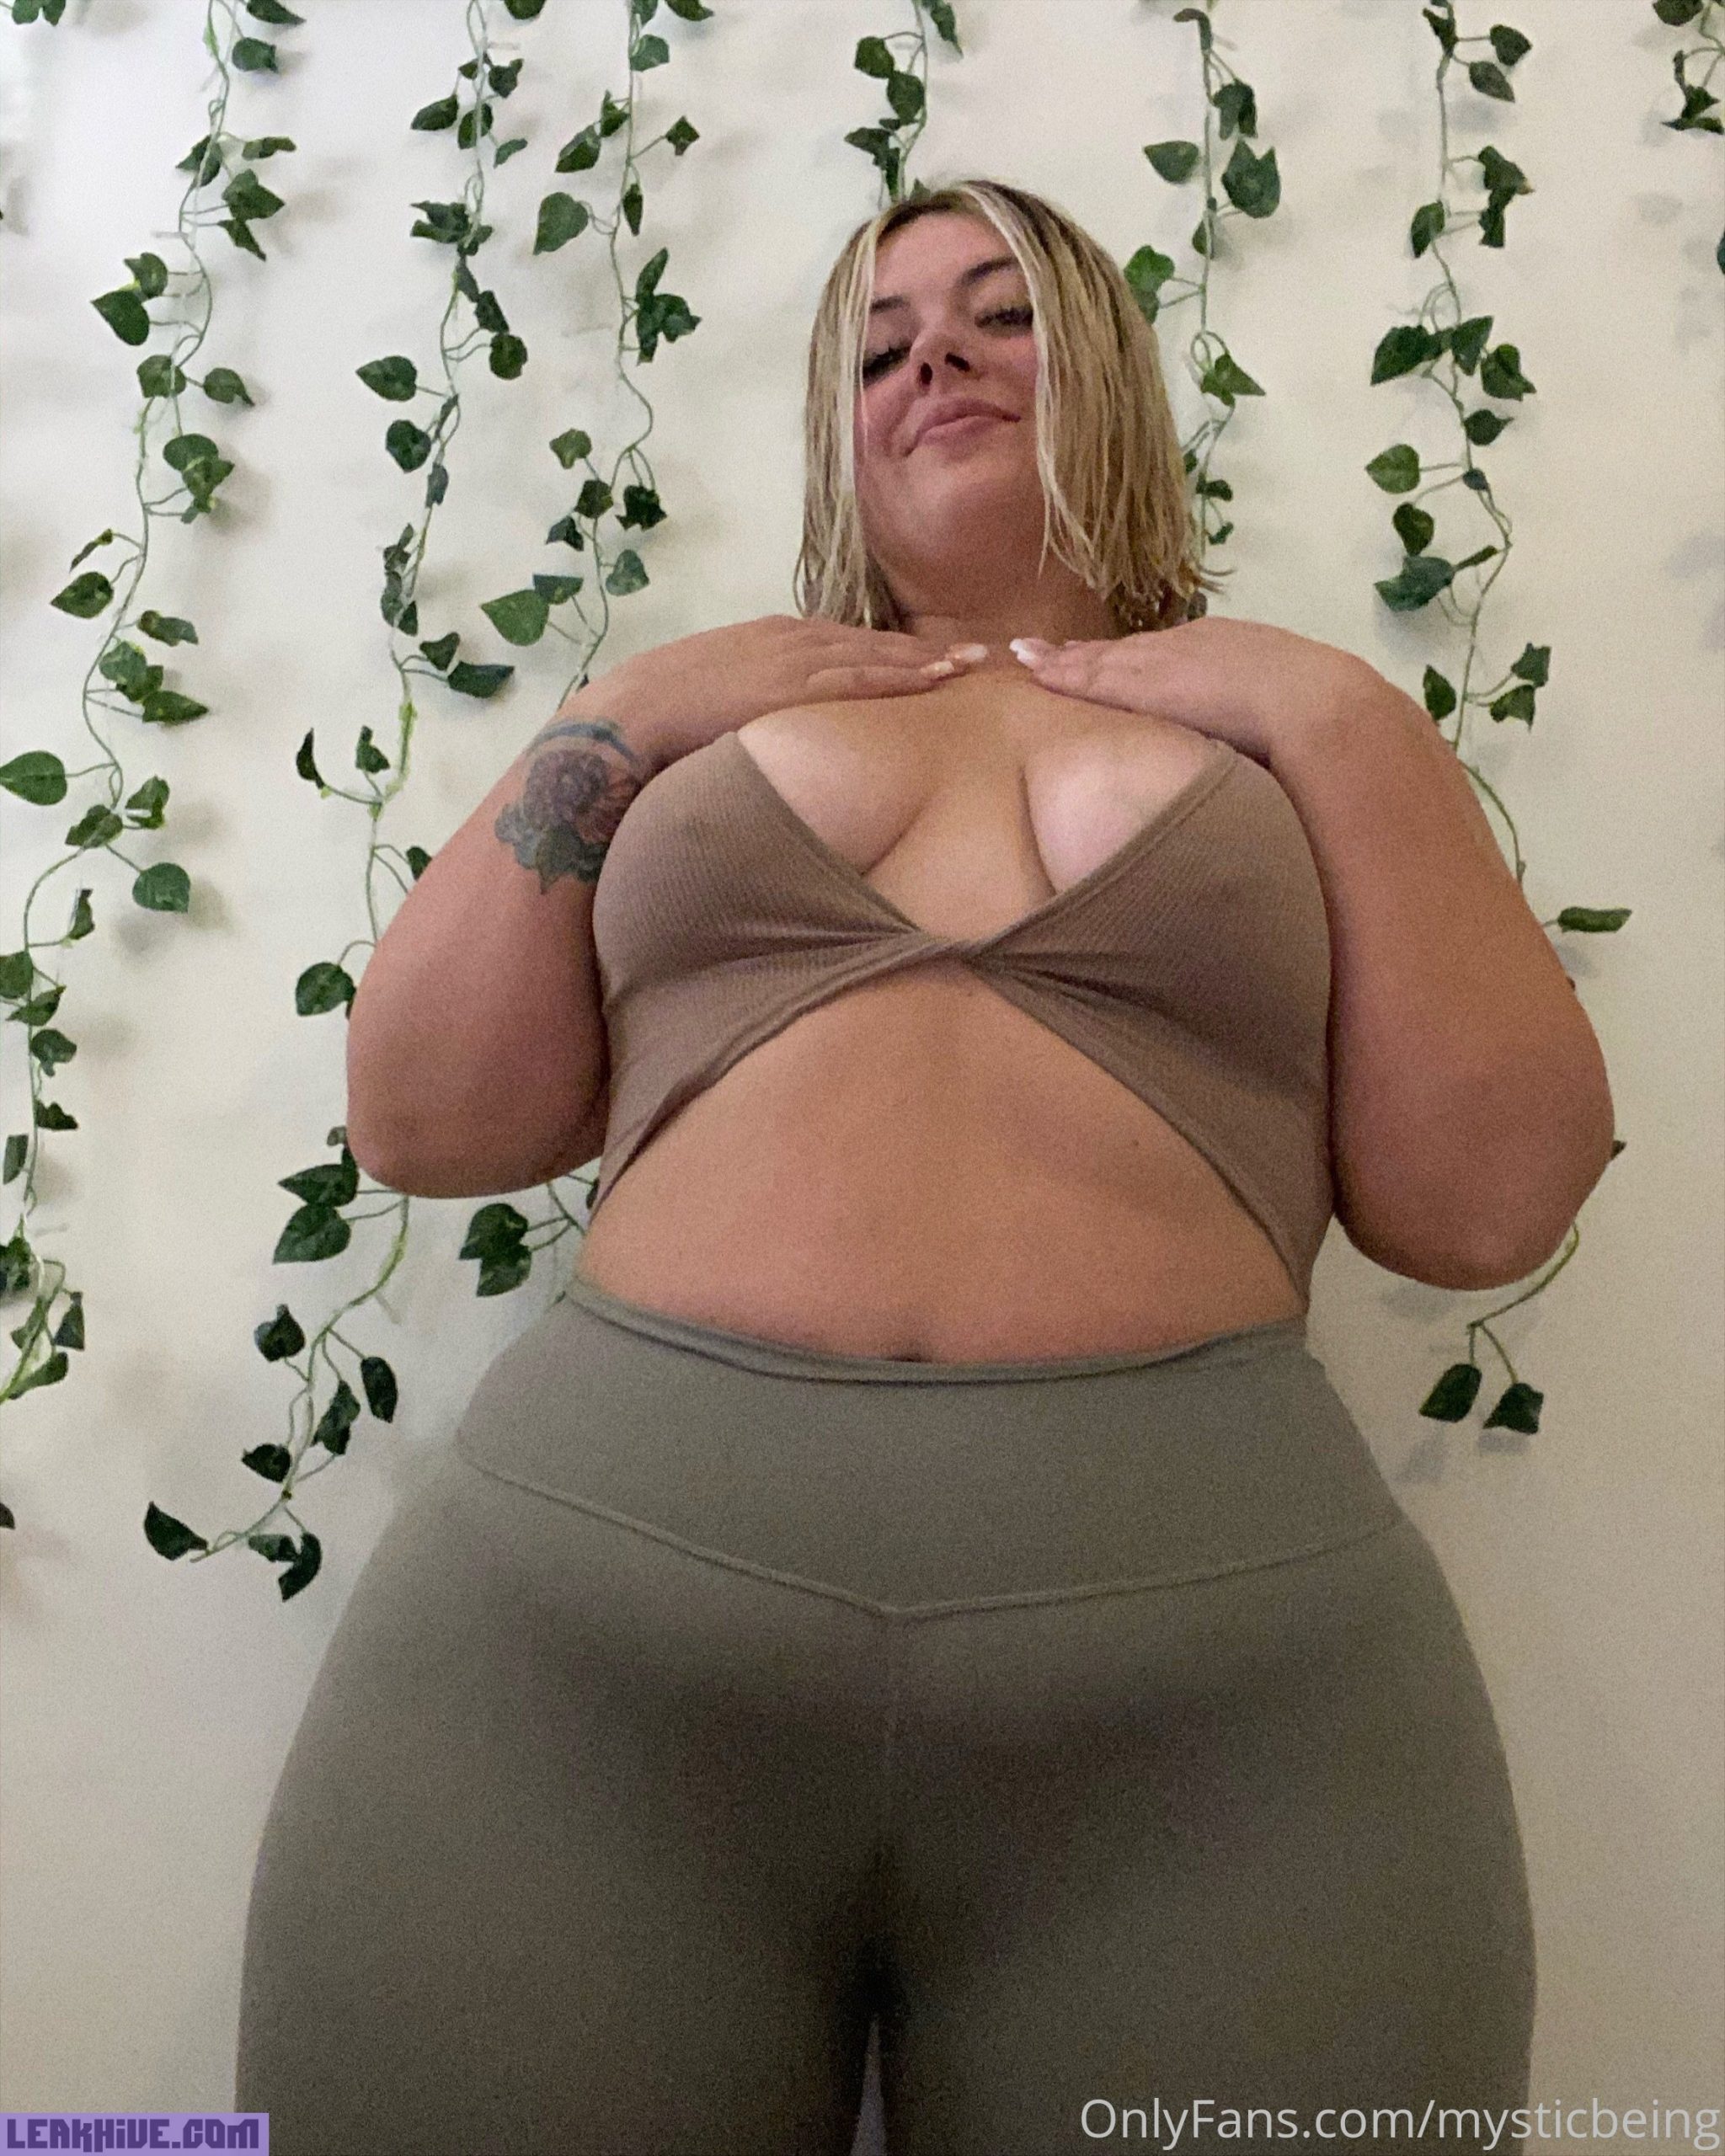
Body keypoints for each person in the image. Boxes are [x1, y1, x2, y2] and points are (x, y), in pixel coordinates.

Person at [235, 179, 1557, 2153]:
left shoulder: (1287, 726)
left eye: (995, 313)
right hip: (577, 1647)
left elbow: (1486, 1201)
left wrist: (1348, 714)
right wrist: (615, 716)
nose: (929, 353)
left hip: (1225, 1695)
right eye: (874, 343)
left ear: (1105, 369)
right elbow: (426, 1118)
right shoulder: (706, 713)